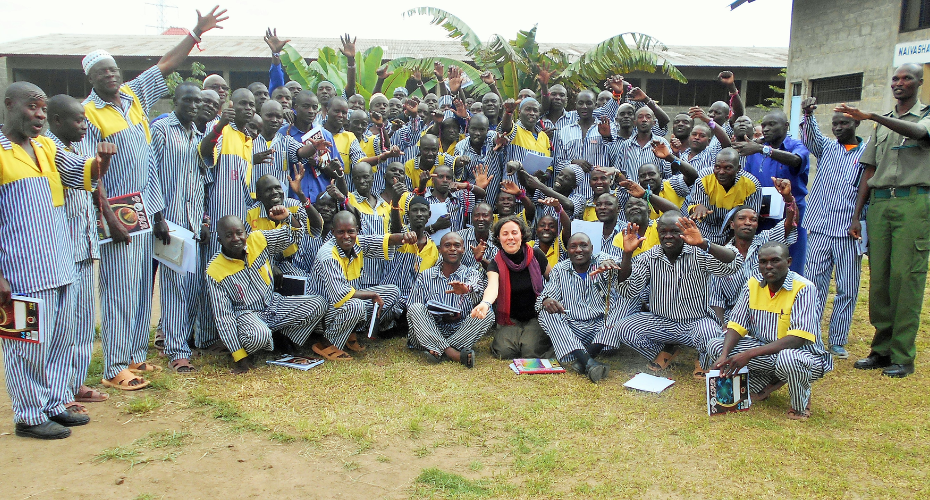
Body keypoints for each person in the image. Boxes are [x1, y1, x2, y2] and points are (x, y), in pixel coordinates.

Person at [78, 6, 227, 391]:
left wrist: (195, 31)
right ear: (91, 80)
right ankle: (113, 367)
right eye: (102, 72)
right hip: (117, 210)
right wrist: (107, 215)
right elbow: (86, 173)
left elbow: (165, 63)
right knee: (118, 288)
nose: (111, 75)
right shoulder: (89, 114)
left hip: (145, 209)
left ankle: (130, 357)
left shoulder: (132, 97)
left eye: (113, 69)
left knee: (141, 289)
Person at [1, 82, 114, 438]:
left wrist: (102, 160)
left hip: (59, 265)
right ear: (9, 105)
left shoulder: (46, 147)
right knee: (24, 346)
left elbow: (84, 175)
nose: (39, 115)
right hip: (20, 272)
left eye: (42, 108)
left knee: (58, 341)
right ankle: (29, 415)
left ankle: (53, 403)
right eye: (32, 107)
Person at [840, 63, 930, 378]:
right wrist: (857, 215)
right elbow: (868, 169)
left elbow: (919, 134)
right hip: (879, 205)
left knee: (906, 278)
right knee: (879, 280)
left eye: (906, 78)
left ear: (919, 82)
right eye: (895, 78)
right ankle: (880, 350)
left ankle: (903, 356)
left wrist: (873, 117)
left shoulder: (924, 117)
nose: (899, 83)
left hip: (912, 203)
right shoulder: (882, 125)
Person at [591, 212, 742, 376]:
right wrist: (627, 254)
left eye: (674, 231)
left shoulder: (698, 253)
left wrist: (704, 243)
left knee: (711, 334)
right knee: (623, 328)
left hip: (695, 322)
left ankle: (703, 360)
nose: (668, 236)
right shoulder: (649, 257)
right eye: (663, 231)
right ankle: (664, 352)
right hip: (660, 321)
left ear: (683, 232)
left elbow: (733, 264)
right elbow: (629, 290)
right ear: (657, 232)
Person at [710, 242, 832, 420]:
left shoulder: (804, 288)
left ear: (789, 262)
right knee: (716, 345)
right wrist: (724, 354)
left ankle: (800, 405)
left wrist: (749, 354)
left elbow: (797, 339)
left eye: (775, 261)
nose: (768, 266)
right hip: (764, 350)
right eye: (763, 261)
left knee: (788, 359)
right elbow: (736, 324)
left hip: (802, 355)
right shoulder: (753, 284)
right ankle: (762, 384)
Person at [44, 95, 110, 407]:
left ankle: (74, 382)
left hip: (83, 245)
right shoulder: (48, 148)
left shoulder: (76, 147)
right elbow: (90, 174)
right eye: (77, 121)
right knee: (62, 326)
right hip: (59, 250)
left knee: (83, 321)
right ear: (56, 121)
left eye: (85, 120)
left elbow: (93, 187)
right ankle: (56, 389)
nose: (84, 126)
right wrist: (103, 162)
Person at [206, 211, 327, 374]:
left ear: (246, 233)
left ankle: (285, 339)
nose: (235, 238)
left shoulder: (257, 239)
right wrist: (240, 358)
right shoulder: (214, 271)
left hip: (274, 304)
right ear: (219, 240)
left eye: (239, 233)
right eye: (228, 235)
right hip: (248, 315)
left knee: (318, 303)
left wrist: (287, 216)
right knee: (258, 336)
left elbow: (293, 236)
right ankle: (266, 339)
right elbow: (223, 317)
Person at [799, 97, 867, 360]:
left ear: (856, 123)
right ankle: (810, 335)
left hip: (848, 230)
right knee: (814, 285)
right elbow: (811, 136)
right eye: (835, 123)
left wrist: (860, 221)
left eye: (844, 123)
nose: (838, 128)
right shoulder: (827, 147)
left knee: (847, 288)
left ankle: (837, 340)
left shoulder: (866, 152)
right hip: (818, 227)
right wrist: (808, 113)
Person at [151, 82, 208, 374]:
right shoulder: (161, 130)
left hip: (191, 223)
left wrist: (203, 218)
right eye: (188, 100)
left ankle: (178, 341)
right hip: (168, 223)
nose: (194, 105)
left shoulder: (199, 136)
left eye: (198, 101)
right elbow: (151, 175)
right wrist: (158, 215)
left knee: (188, 287)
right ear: (175, 100)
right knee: (174, 287)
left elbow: (201, 181)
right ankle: (177, 350)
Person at [312, 211, 415, 360]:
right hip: (325, 313)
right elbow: (340, 293)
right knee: (356, 305)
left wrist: (405, 237)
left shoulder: (357, 243)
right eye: (341, 232)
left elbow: (387, 240)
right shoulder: (328, 255)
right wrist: (372, 295)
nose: (346, 236)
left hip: (345, 306)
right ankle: (326, 343)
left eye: (350, 231)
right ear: (333, 232)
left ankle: (347, 332)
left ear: (357, 231)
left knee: (392, 291)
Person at [707, 179, 798, 325]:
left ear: (757, 224)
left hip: (768, 312)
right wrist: (722, 326)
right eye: (742, 219)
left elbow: (790, 222)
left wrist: (788, 198)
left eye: (753, 220)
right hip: (734, 317)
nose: (748, 223)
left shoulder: (766, 241)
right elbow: (716, 298)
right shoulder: (721, 255)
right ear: (732, 224)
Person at [537, 233, 620, 383]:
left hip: (600, 332)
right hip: (572, 329)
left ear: (592, 248)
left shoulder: (602, 261)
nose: (578, 250)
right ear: (567, 250)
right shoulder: (560, 269)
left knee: (621, 307)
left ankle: (582, 358)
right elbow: (542, 299)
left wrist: (609, 263)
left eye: (583, 245)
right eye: (573, 246)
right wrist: (547, 300)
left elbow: (617, 263)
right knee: (545, 313)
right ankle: (589, 362)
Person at [737, 110, 810, 272]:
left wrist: (764, 150)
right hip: (762, 215)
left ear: (786, 126)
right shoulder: (754, 149)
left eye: (772, 124)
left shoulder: (796, 146)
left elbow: (796, 160)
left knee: (792, 262)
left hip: (791, 214)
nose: (766, 129)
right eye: (764, 125)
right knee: (764, 262)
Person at [471, 216, 554, 359]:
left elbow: (554, 280)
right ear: (498, 238)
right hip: (511, 318)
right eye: (505, 234)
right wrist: (485, 303)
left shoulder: (536, 255)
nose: (510, 238)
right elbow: (492, 287)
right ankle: (516, 335)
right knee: (505, 352)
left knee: (529, 351)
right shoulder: (495, 263)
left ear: (522, 234)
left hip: (536, 315)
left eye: (514, 233)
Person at [407, 232, 494, 368]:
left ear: (463, 250)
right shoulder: (426, 276)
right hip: (428, 331)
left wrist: (467, 290)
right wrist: (438, 317)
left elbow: (478, 293)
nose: (452, 249)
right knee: (415, 308)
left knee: (487, 312)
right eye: (447, 245)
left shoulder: (472, 273)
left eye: (457, 245)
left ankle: (438, 350)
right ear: (440, 249)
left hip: (460, 332)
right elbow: (412, 309)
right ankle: (453, 353)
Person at [689, 148, 762, 244]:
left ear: (738, 168)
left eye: (728, 168)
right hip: (704, 229)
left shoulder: (752, 184)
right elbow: (693, 210)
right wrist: (697, 208)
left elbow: (751, 218)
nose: (721, 172)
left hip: (734, 233)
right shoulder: (704, 178)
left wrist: (728, 246)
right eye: (717, 167)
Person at [455, 113, 502, 202]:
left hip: (495, 197)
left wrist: (499, 141)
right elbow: (460, 178)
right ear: (468, 129)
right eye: (473, 129)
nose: (477, 133)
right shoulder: (460, 147)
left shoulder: (491, 137)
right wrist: (460, 164)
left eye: (481, 130)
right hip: (473, 198)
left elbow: (495, 139)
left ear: (487, 130)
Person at [457, 202, 498, 270]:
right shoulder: (459, 237)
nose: (480, 219)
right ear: (472, 218)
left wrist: (481, 259)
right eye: (477, 215)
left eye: (485, 215)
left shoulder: (497, 241)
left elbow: (497, 271)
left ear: (492, 219)